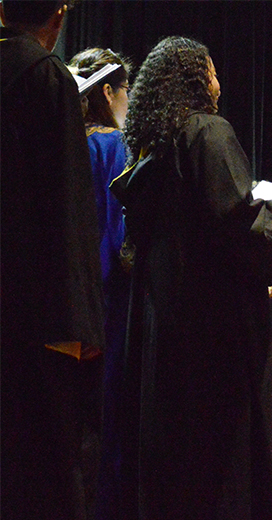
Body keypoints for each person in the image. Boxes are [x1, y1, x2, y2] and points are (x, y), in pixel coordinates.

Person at [110, 36, 272, 519]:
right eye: (212, 73)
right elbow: (237, 228)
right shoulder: (207, 133)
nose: (219, 85)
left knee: (175, 478)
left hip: (165, 340)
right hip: (218, 341)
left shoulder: (149, 157)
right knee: (229, 476)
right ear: (194, 80)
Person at [1, 2, 106, 519]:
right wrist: (80, 323)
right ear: (59, 16)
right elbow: (68, 206)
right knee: (41, 465)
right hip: (31, 307)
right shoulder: (47, 77)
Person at [67, 46, 134, 520]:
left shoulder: (61, 144)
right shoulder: (113, 148)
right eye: (126, 90)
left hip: (57, 311)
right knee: (107, 431)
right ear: (108, 91)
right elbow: (121, 242)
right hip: (106, 310)